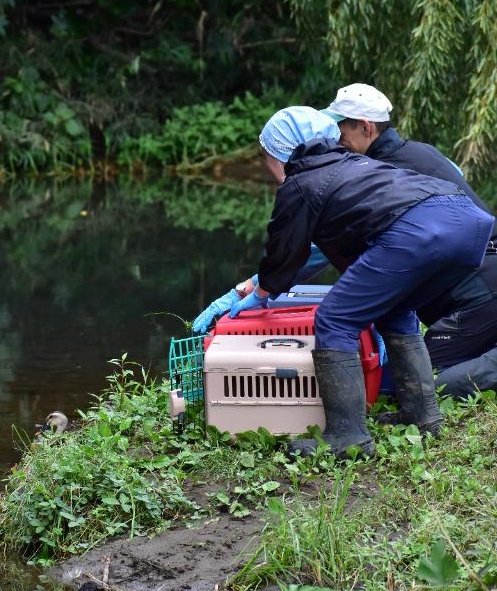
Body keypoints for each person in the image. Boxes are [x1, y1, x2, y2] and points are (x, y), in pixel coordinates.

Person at [193, 84, 497, 401]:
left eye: (338, 130)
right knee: (400, 345)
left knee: (398, 385)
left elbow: (317, 249)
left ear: (365, 128)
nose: (331, 139)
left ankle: (349, 435)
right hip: (473, 272)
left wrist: (261, 286)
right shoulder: (419, 153)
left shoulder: (379, 170)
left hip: (479, 289)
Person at [240, 106, 493, 457]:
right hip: (468, 221)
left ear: (280, 154)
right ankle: (422, 416)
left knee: (335, 318)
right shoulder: (357, 165)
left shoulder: (300, 182)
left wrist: (263, 290)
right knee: (397, 310)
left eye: (267, 158)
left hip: (422, 228)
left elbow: (285, 252)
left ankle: (347, 437)